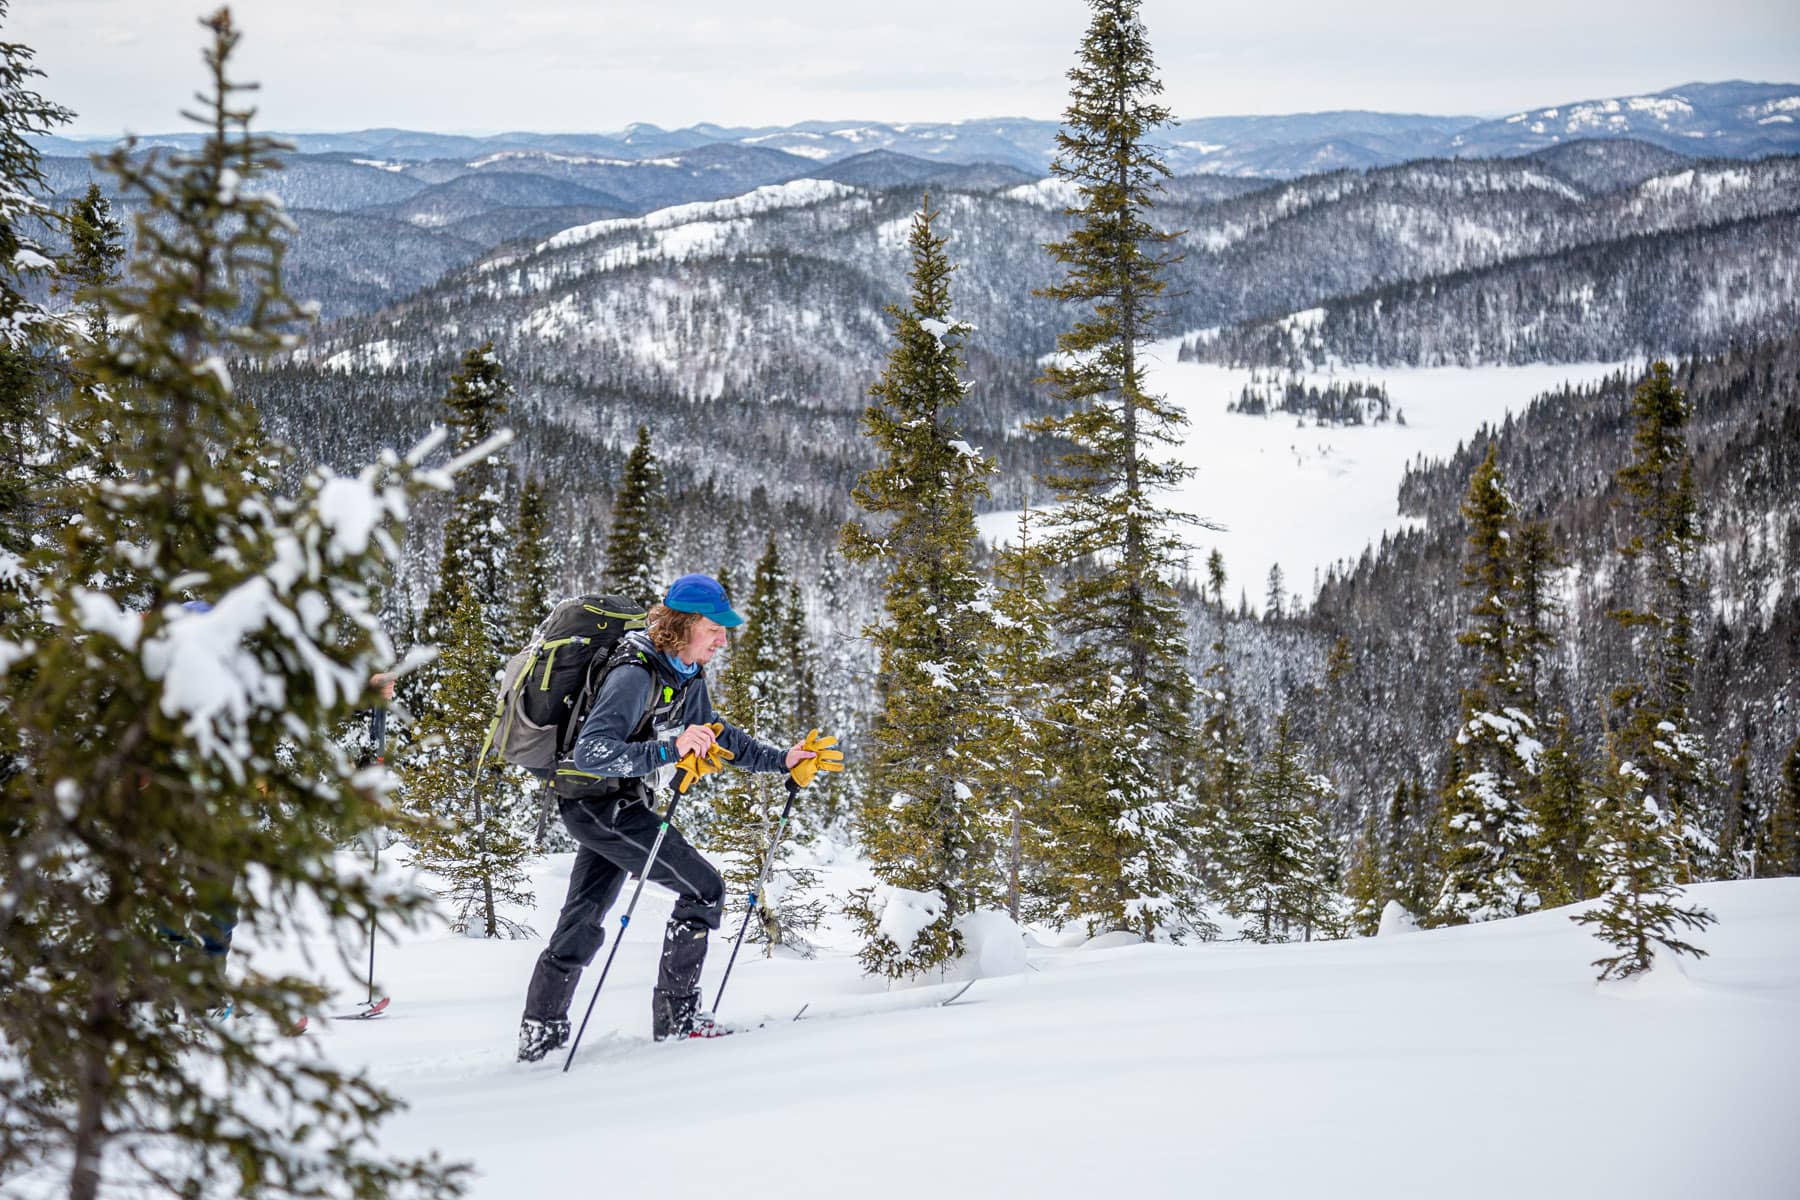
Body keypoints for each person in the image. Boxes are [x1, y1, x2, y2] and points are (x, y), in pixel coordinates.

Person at [516, 573, 819, 1061]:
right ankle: (677, 1021)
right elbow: (592, 752)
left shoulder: (683, 671)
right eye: (714, 627)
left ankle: (541, 1035)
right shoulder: (635, 673)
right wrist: (669, 748)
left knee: (583, 919)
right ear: (683, 625)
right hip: (599, 806)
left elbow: (715, 734)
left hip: (617, 803)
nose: (723, 637)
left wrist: (781, 759)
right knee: (704, 888)